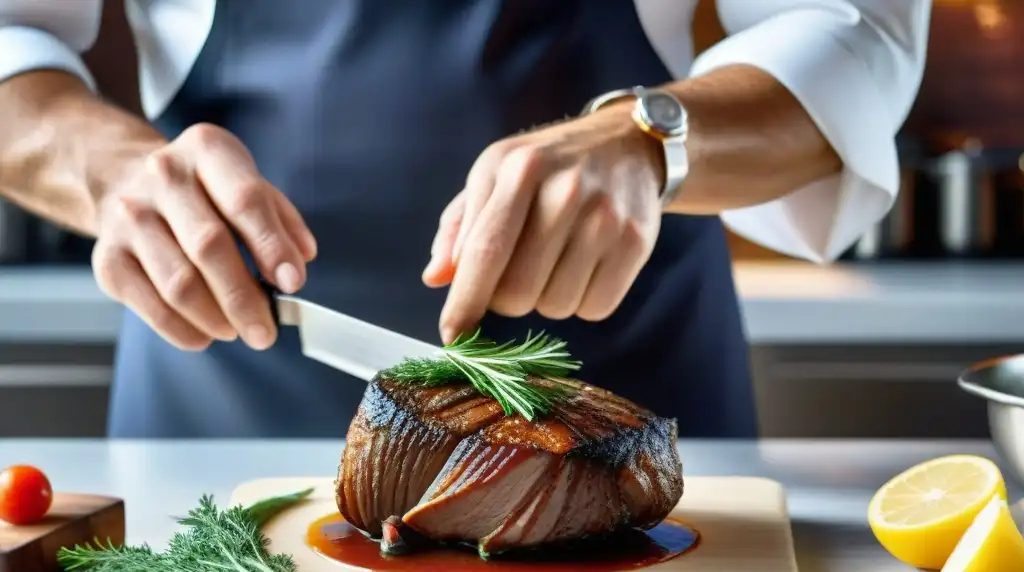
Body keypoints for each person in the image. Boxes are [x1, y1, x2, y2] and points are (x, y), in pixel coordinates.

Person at [0, 1, 930, 439]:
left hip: (623, 413)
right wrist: (116, 171)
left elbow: (856, 27)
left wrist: (652, 142)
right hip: (221, 413)